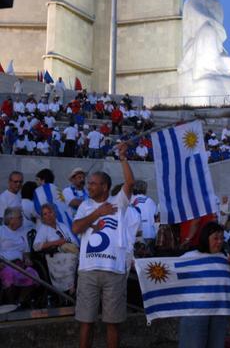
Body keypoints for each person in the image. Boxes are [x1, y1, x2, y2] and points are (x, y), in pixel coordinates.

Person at [72, 142, 134, 348]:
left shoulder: (119, 203)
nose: (88, 186)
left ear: (105, 187)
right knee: (85, 322)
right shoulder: (85, 206)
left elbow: (130, 182)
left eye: (93, 183)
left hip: (114, 270)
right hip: (88, 270)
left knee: (112, 323)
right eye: (88, 183)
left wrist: (123, 158)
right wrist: (98, 213)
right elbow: (76, 228)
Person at [178, 222, 230, 348]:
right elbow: (170, 272)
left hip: (219, 311)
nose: (219, 242)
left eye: (222, 238)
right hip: (196, 312)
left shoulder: (225, 257)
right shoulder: (190, 257)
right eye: (215, 238)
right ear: (205, 238)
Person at [33, 203, 79, 294]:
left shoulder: (62, 226)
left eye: (50, 212)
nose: (48, 216)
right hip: (54, 257)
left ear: (54, 213)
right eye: (45, 214)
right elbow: (36, 246)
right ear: (42, 217)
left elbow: (73, 241)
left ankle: (79, 286)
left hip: (68, 251)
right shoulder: (43, 229)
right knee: (72, 258)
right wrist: (56, 242)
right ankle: (70, 288)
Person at [0, 206, 39, 305]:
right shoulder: (2, 231)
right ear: (10, 219)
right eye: (20, 217)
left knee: (32, 274)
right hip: (5, 264)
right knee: (9, 274)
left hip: (20, 265)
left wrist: (27, 258)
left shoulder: (22, 232)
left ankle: (20, 301)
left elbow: (25, 251)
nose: (22, 219)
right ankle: (10, 303)